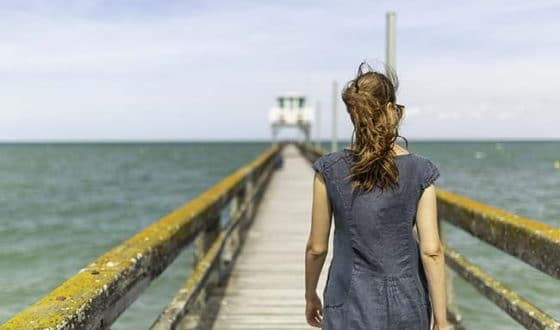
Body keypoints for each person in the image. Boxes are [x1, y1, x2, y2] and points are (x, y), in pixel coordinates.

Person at [304, 62, 448, 330]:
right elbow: (432, 251)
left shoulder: (329, 169)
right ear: (392, 109)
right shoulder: (421, 171)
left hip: (346, 300)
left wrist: (310, 295)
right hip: (407, 302)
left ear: (353, 114)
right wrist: (441, 318)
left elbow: (317, 247)